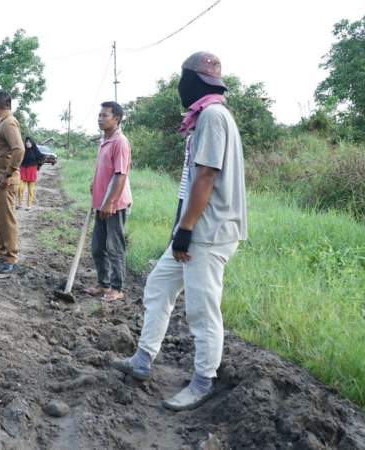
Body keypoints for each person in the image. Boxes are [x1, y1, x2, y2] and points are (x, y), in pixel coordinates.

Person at [111, 52, 247, 412]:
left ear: (194, 81)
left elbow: (206, 175)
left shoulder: (214, 116)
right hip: (193, 228)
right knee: (158, 286)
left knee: (202, 311)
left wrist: (186, 230)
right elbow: (192, 181)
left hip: (209, 230)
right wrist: (179, 229)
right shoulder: (206, 115)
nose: (179, 87)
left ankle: (203, 381)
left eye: (183, 79)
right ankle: (142, 359)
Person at [85, 101, 132, 302]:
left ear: (117, 119)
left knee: (114, 246)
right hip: (101, 203)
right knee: (98, 246)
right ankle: (103, 284)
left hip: (114, 204)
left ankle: (117, 287)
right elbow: (105, 170)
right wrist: (93, 183)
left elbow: (121, 176)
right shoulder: (104, 141)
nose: (100, 118)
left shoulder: (120, 142)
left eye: (105, 115)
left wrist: (110, 203)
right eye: (99, 115)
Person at [0, 91, 24, 274]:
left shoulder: (9, 123)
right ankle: (2, 255)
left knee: (6, 221)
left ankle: (10, 257)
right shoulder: (1, 124)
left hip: (4, 182)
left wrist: (8, 173)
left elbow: (19, 149)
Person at [17, 136, 44, 210]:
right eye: (26, 142)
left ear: (32, 143)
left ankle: (29, 205)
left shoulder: (35, 150)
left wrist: (37, 165)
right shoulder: (23, 150)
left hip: (32, 172)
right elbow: (18, 158)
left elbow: (42, 158)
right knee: (20, 188)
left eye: (29, 142)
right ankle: (19, 204)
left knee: (31, 190)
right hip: (23, 171)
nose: (28, 143)